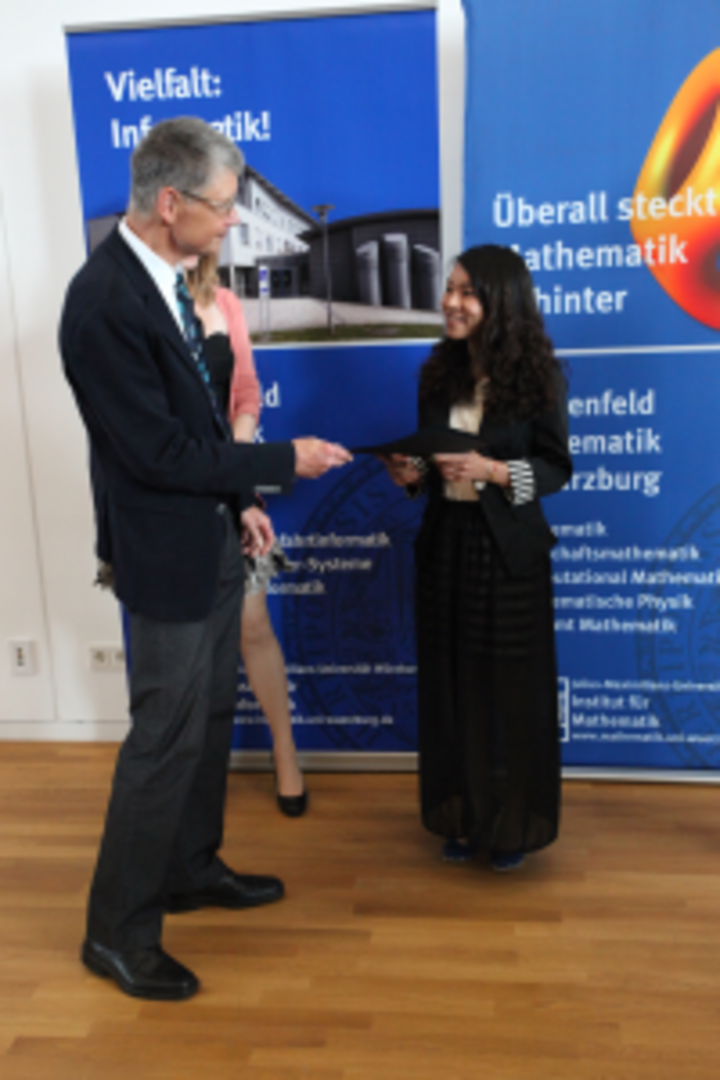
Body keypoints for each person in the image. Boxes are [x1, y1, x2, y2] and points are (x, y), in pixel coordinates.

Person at [59, 117, 351, 1002]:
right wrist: (280, 461)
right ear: (170, 202)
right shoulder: (104, 303)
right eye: (222, 207)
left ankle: (189, 867)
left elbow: (201, 426)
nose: (232, 222)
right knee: (164, 738)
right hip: (164, 556)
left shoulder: (171, 285)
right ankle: (116, 934)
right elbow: (157, 454)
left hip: (213, 537)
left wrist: (240, 505)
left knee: (212, 717)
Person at [385, 245, 572, 873]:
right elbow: (427, 468)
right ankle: (464, 816)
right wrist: (409, 474)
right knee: (452, 684)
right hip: (446, 543)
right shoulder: (437, 373)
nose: (451, 302)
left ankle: (511, 823)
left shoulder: (541, 377)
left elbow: (556, 468)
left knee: (509, 693)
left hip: (509, 553)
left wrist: (491, 470)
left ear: (501, 301)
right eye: (450, 289)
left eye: (467, 292)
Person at [185, 254, 306, 815]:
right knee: (183, 643)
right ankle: (184, 771)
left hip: (229, 487)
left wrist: (234, 475)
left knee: (252, 625)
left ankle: (285, 753)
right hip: (168, 496)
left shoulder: (225, 302)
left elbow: (246, 396)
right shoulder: (137, 301)